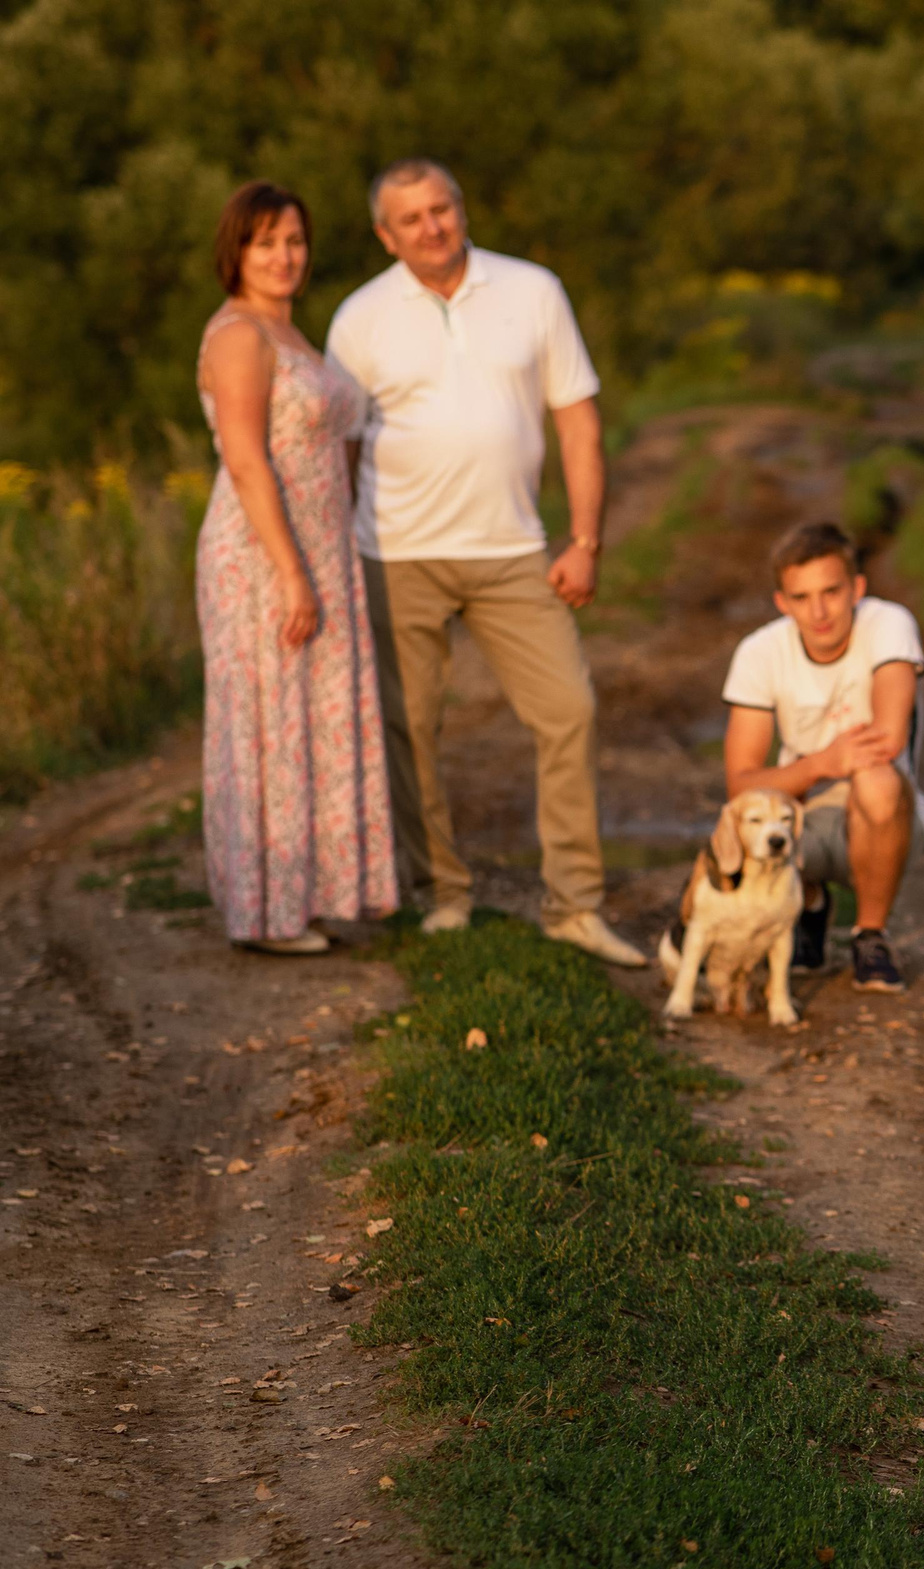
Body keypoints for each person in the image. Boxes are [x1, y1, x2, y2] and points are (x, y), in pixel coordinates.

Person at [325, 158, 645, 967]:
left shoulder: (533, 289)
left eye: (443, 208)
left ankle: (574, 905)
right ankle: (442, 894)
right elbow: (344, 450)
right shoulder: (359, 318)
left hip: (514, 552)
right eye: (412, 218)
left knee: (568, 710)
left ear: (462, 208)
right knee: (412, 727)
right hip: (397, 555)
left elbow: (578, 421)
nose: (433, 227)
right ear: (384, 235)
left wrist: (584, 539)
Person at [193, 181, 401, 954]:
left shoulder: (292, 334)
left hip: (320, 547)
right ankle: (266, 909)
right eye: (264, 242)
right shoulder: (238, 334)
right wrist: (289, 571)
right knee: (270, 722)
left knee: (312, 721)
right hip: (261, 554)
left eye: (294, 240)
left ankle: (305, 896)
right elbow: (246, 459)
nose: (283, 256)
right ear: (236, 252)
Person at [718, 521, 924, 993]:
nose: (819, 612)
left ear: (857, 588)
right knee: (749, 817)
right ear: (781, 602)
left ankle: (870, 935)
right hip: (808, 803)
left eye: (831, 592)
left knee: (877, 779)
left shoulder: (889, 623)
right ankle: (809, 907)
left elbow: (888, 741)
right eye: (801, 597)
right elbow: (739, 785)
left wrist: (815, 767)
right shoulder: (758, 651)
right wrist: (820, 764)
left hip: (882, 812)